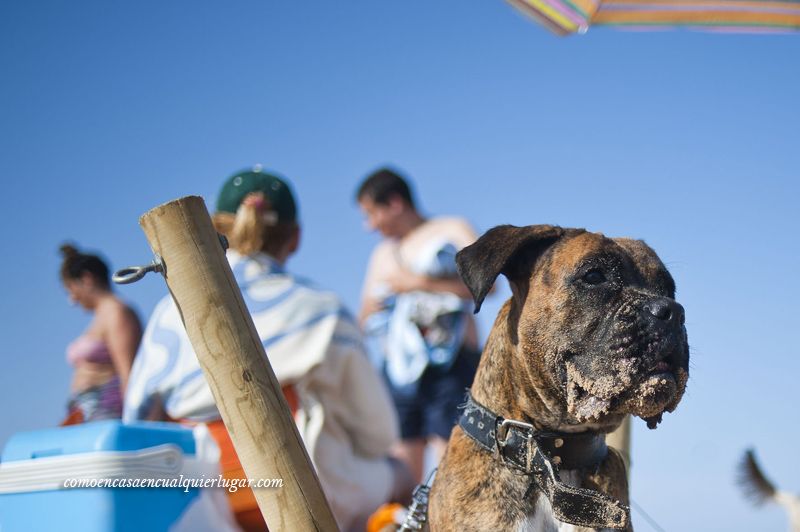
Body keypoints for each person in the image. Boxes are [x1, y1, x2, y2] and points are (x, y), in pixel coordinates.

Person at [124, 167, 410, 532]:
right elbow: (378, 433)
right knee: (401, 470)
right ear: (294, 238)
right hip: (313, 494)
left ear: (216, 226)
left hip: (206, 502)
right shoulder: (320, 308)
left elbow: (137, 419)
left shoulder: (169, 312)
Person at [356, 167, 483, 483]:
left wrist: (418, 283)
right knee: (402, 472)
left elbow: (485, 286)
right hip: (399, 371)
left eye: (372, 214)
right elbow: (364, 315)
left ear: (395, 203)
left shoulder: (452, 229)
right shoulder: (382, 253)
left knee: (451, 467)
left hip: (451, 366)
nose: (369, 226)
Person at [60, 244, 142, 424]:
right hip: (85, 410)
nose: (72, 299)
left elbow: (129, 372)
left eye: (71, 289)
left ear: (86, 279)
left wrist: (134, 420)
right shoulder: (100, 318)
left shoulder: (117, 312)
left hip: (107, 410)